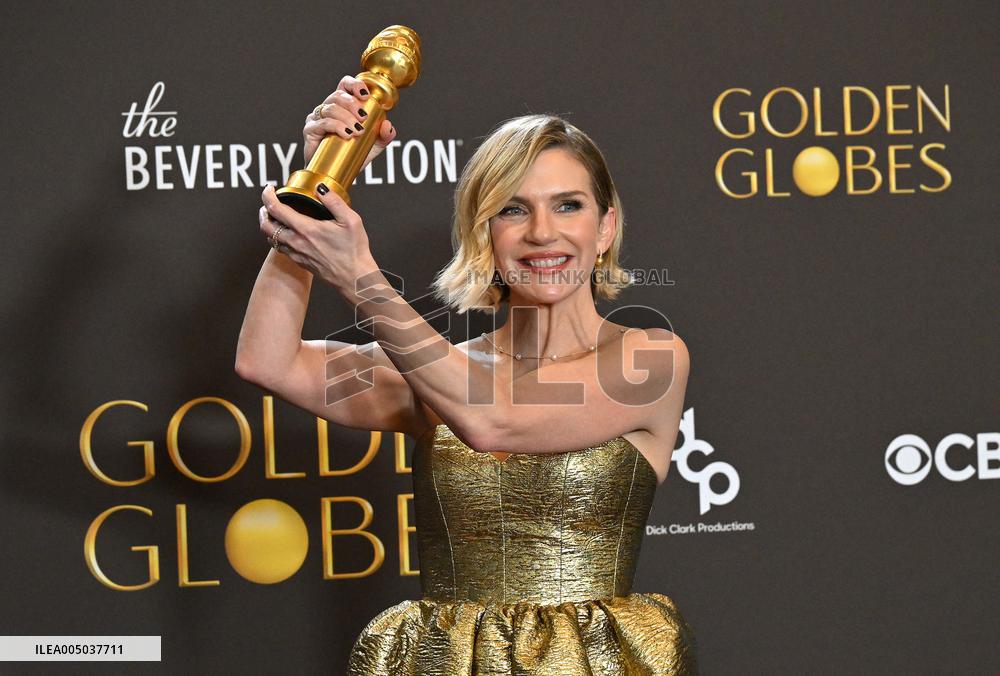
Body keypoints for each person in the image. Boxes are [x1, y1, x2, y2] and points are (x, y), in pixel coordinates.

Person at [236, 75, 699, 674]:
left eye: (568, 205)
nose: (542, 233)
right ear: (484, 232)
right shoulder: (438, 375)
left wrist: (360, 278)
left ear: (605, 228)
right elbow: (267, 360)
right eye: (513, 209)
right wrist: (318, 191)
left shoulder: (650, 359)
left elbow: (492, 419)